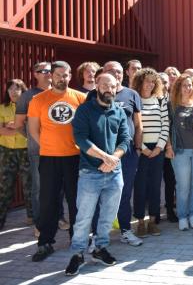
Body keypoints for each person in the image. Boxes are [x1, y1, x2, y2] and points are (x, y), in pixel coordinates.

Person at [64, 74, 130, 276]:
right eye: (105, 85)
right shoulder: (85, 110)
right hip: (90, 173)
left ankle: (100, 249)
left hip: (114, 174)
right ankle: (77, 254)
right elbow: (80, 139)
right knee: (84, 217)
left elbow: (125, 140)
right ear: (97, 87)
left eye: (112, 85)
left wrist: (114, 159)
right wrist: (105, 158)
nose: (109, 88)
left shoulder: (118, 111)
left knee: (108, 216)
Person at [28, 61, 86, 262]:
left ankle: (77, 240)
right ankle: (45, 242)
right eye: (60, 75)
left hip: (75, 158)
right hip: (49, 158)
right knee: (48, 202)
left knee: (75, 201)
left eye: (67, 75)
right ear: (51, 76)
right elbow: (34, 129)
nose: (64, 78)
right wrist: (47, 144)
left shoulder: (80, 97)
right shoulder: (38, 99)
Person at [87, 61, 143, 246]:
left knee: (124, 193)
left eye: (119, 72)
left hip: (126, 154)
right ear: (103, 73)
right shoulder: (92, 95)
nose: (116, 74)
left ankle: (126, 230)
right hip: (101, 154)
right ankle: (97, 235)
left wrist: (137, 148)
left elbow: (137, 124)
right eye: (111, 71)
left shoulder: (132, 94)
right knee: (99, 194)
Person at [14, 62, 52, 236]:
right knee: (39, 188)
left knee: (58, 187)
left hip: (61, 150)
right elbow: (20, 125)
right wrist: (34, 138)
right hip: (38, 151)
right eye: (42, 71)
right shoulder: (27, 96)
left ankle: (58, 218)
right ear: (35, 74)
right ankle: (40, 223)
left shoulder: (60, 93)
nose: (47, 74)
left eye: (50, 70)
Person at [131, 68, 169, 237]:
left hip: (158, 149)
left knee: (155, 186)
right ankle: (140, 221)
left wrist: (159, 147)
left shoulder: (160, 100)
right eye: (147, 81)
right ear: (140, 81)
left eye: (153, 81)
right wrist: (143, 148)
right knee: (140, 187)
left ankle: (153, 221)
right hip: (141, 150)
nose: (150, 84)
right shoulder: (134, 100)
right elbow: (133, 127)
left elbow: (165, 125)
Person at [167, 74, 193, 230]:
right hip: (180, 151)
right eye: (185, 85)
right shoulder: (172, 105)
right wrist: (168, 147)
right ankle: (182, 217)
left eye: (190, 85)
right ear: (178, 87)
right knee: (183, 186)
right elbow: (166, 128)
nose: (188, 88)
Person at [0, 79, 30, 229]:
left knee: (29, 185)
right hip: (6, 151)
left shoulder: (30, 108)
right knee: (4, 186)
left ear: (23, 91)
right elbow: (1, 131)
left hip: (26, 150)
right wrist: (19, 127)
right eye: (10, 89)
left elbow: (30, 133)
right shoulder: (2, 109)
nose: (12, 91)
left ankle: (33, 218)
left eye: (16, 89)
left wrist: (13, 127)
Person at [158, 72, 177, 222]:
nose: (164, 85)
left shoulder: (173, 101)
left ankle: (170, 209)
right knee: (155, 181)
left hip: (170, 147)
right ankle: (155, 213)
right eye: (160, 82)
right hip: (155, 147)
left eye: (165, 82)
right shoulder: (150, 101)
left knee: (171, 180)